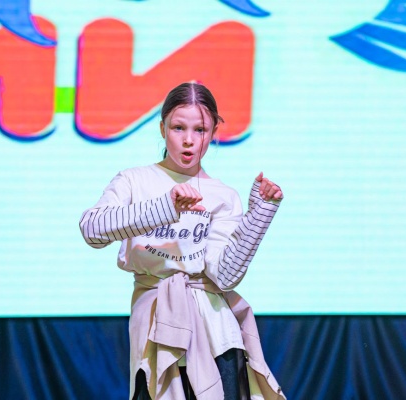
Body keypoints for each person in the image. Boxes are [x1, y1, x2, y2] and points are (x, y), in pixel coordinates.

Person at [79, 82, 286, 400]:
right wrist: (166, 208)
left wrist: (260, 214)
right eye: (178, 128)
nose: (188, 140)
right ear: (162, 128)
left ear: (214, 132)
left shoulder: (223, 194)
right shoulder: (134, 180)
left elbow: (225, 276)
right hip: (156, 327)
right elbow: (92, 229)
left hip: (216, 334)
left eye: (200, 130)